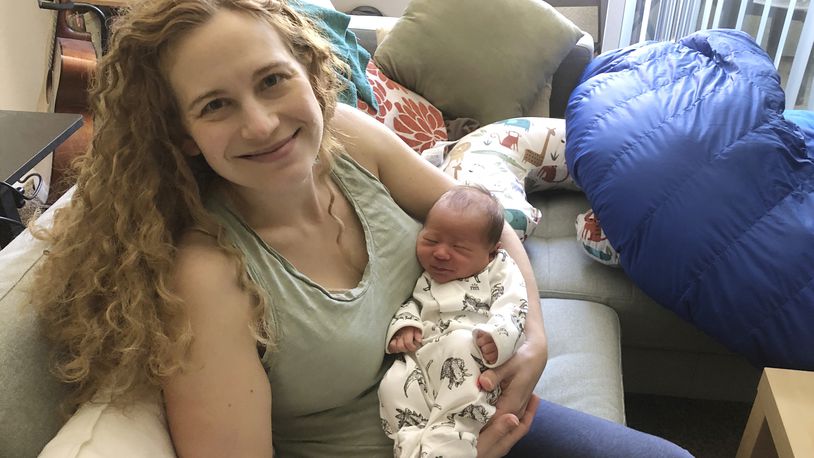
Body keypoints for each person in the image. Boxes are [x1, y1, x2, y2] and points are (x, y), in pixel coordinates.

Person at [30, 0, 694, 456]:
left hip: (477, 416)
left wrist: (537, 341)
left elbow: (491, 226)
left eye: (271, 80)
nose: (262, 123)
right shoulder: (209, 276)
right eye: (216, 105)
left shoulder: (346, 137)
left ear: (308, 72)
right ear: (182, 134)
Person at [379, 185, 529, 457]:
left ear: (491, 252)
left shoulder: (499, 268)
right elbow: (414, 304)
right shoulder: (427, 277)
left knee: (462, 345)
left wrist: (497, 337)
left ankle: (448, 443)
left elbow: (515, 305)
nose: (441, 253)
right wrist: (406, 325)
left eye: (459, 248)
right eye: (431, 240)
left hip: (471, 360)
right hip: (423, 360)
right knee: (393, 382)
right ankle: (411, 443)